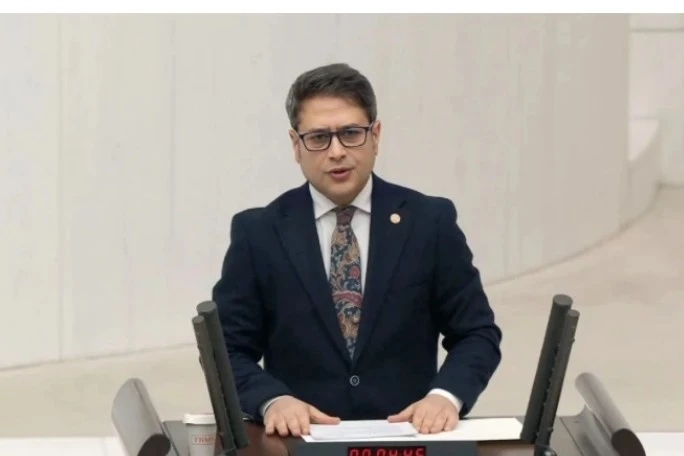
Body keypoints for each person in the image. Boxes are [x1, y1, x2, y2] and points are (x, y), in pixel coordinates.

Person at [212, 63, 502, 438]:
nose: (336, 152)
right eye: (319, 138)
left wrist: (445, 397)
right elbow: (226, 349)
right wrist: (272, 400)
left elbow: (477, 333)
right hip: (301, 443)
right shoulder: (260, 233)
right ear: (296, 145)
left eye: (351, 134)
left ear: (375, 136)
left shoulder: (429, 223)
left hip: (408, 439)